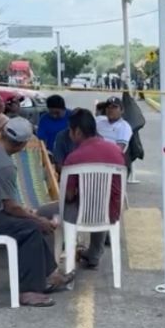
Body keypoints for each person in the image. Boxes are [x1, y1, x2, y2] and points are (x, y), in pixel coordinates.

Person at [0, 118, 74, 307]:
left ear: (4, 132)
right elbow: (10, 207)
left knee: (33, 223)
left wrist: (31, 215)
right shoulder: (4, 164)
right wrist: (36, 218)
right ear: (22, 144)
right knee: (31, 228)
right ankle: (29, 290)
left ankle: (49, 275)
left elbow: (6, 204)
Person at [61, 109, 125, 269]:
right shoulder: (116, 151)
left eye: (70, 130)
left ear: (77, 132)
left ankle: (64, 252)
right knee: (102, 202)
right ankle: (94, 254)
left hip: (82, 215)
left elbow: (68, 196)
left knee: (56, 209)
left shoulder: (73, 158)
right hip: (110, 213)